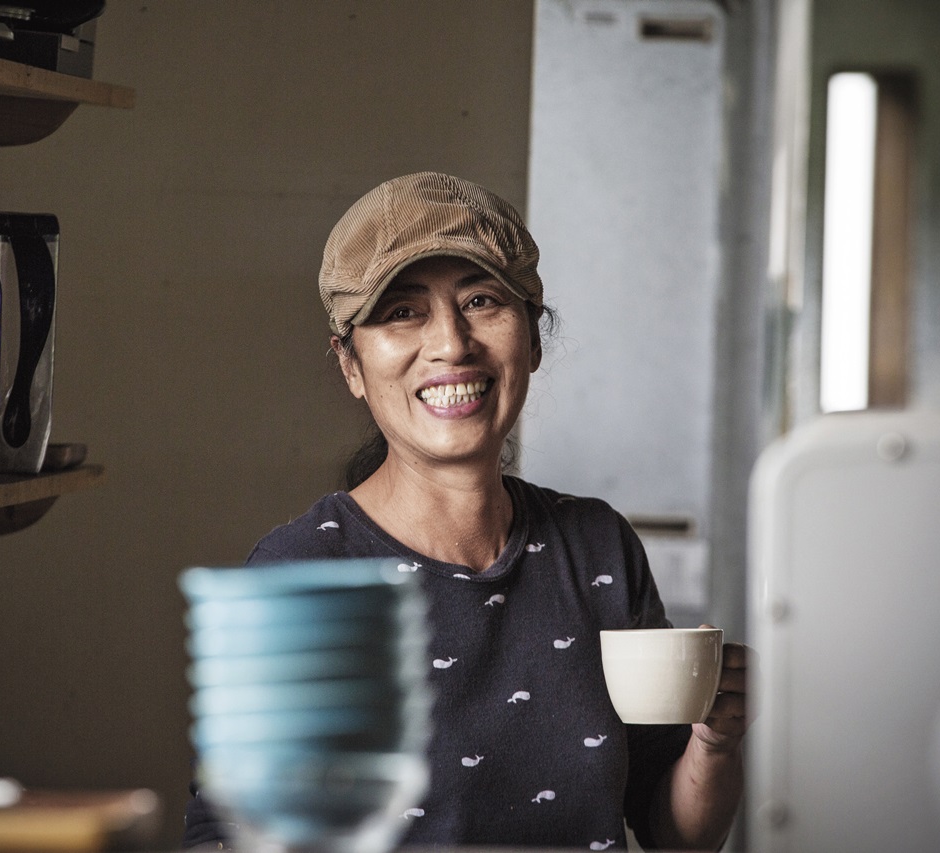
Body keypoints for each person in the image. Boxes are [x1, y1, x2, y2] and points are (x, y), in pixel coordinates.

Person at [183, 172, 749, 850]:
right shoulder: (303, 571)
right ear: (350, 365)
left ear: (532, 340)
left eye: (481, 301)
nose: (451, 344)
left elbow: (675, 836)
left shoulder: (597, 547)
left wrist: (713, 742)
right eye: (402, 311)